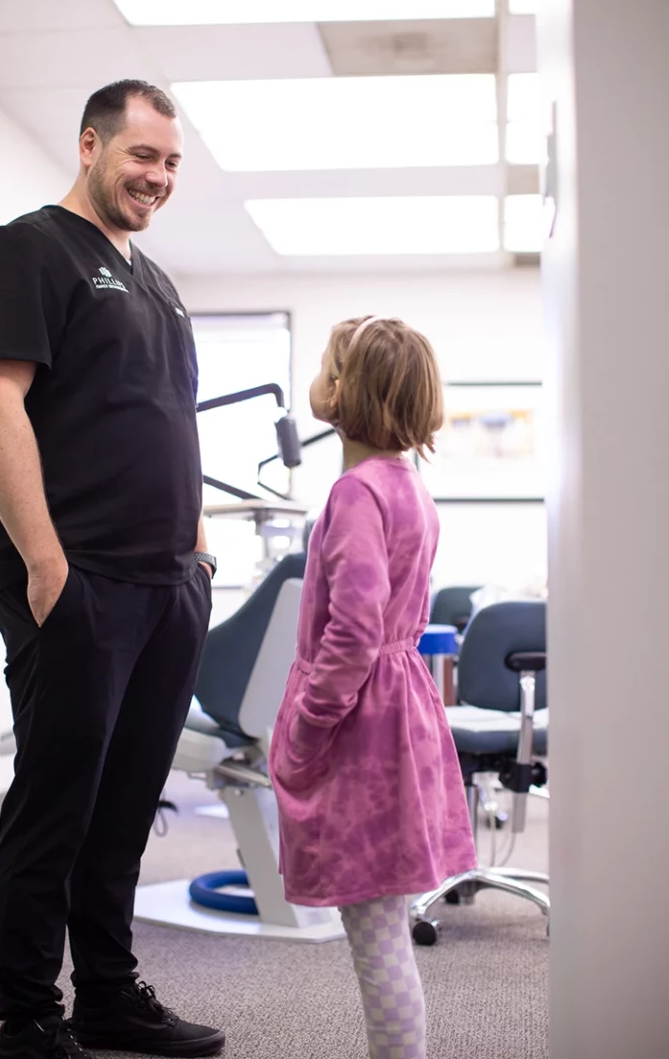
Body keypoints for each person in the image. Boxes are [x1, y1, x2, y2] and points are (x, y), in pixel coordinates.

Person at [0, 80, 225, 1059]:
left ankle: (110, 992)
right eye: (141, 155)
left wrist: (194, 549)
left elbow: (172, 417)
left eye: (171, 163)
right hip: (78, 582)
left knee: (127, 803)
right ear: (90, 145)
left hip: (165, 587)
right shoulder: (23, 251)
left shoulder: (155, 281)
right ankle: (29, 1019)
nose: (156, 177)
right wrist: (46, 562)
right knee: (57, 804)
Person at [268, 316, 478, 1059]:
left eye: (326, 365)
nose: (316, 378)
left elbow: (352, 632)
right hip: (400, 710)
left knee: (376, 932)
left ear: (348, 391)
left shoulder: (357, 494)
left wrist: (307, 726)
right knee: (384, 922)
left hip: (363, 725)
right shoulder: (406, 485)